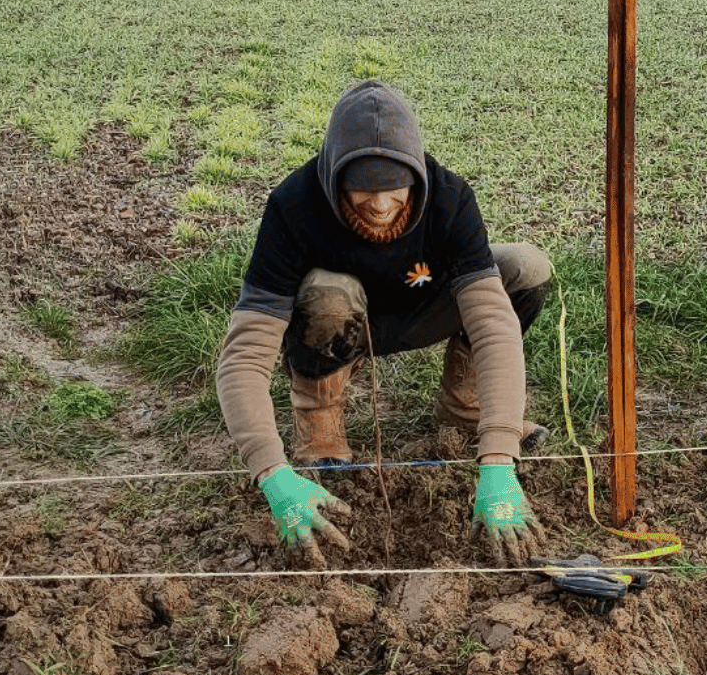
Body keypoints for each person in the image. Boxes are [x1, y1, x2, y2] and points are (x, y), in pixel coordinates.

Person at [215, 80, 551, 566]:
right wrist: (270, 470)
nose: (379, 204)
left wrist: (499, 457)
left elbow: (494, 323)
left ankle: (465, 410)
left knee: (524, 267)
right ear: (333, 176)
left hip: (422, 309)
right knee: (330, 292)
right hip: (336, 320)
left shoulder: (449, 198)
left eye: (393, 188)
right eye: (361, 189)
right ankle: (321, 431)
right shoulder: (294, 206)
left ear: (416, 172)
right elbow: (245, 352)